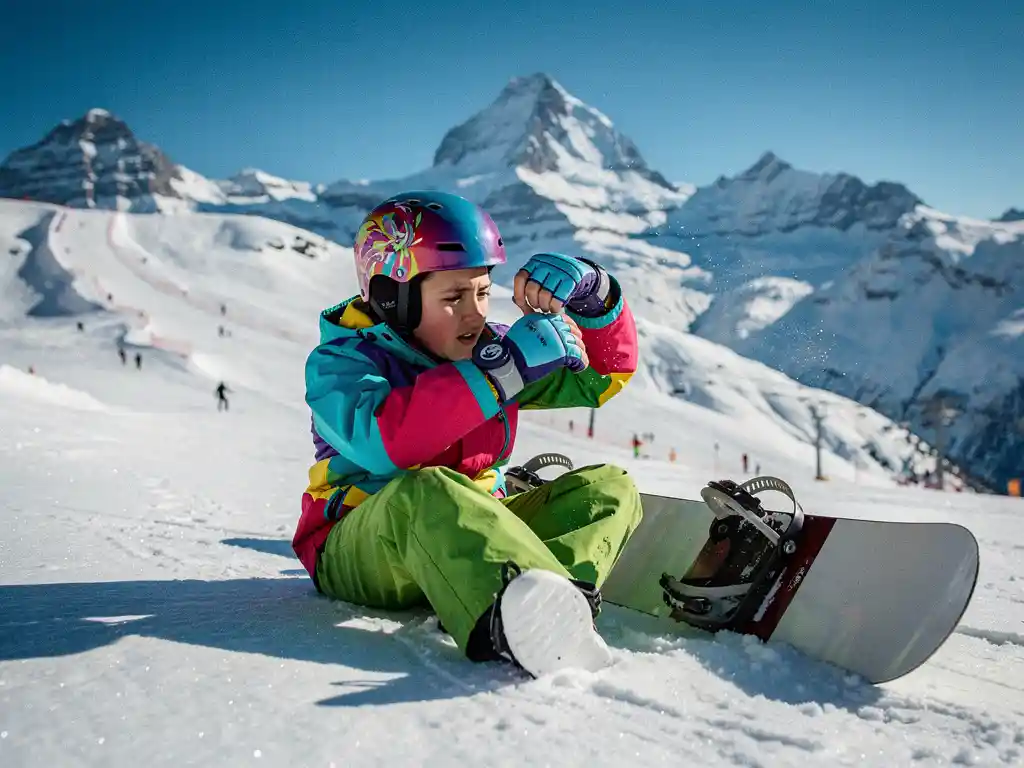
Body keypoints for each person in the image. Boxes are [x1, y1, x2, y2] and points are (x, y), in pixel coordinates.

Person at [293, 191, 642, 678]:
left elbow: (602, 378)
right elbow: (385, 443)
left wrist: (597, 298)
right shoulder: (341, 363)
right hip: (363, 546)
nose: (475, 314)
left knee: (609, 488)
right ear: (395, 299)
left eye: (481, 292)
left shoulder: (491, 350)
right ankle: (509, 614)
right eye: (453, 298)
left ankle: (552, 603)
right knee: (424, 488)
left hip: (476, 536)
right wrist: (502, 374)